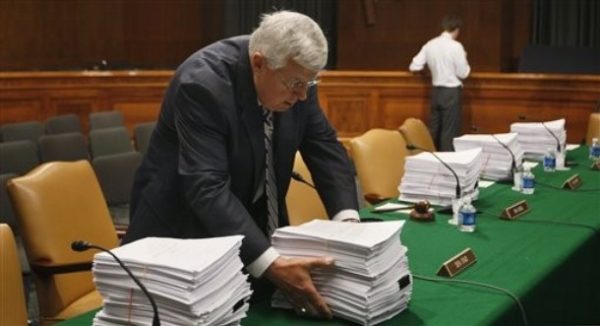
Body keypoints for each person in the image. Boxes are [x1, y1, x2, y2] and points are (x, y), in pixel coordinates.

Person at [122, 10, 359, 319]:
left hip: (245, 233)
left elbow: (324, 147)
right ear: (258, 63)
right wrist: (271, 264)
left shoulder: (294, 78)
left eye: (310, 82)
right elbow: (206, 188)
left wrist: (350, 229)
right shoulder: (203, 84)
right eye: (295, 83)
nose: (302, 95)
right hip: (181, 242)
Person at [409, 14, 471, 151]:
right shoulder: (456, 47)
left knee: (434, 129)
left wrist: (429, 71)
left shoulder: (430, 44)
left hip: (436, 92)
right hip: (451, 92)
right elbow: (463, 73)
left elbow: (414, 66)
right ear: (457, 30)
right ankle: (446, 163)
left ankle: (430, 156)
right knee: (449, 131)